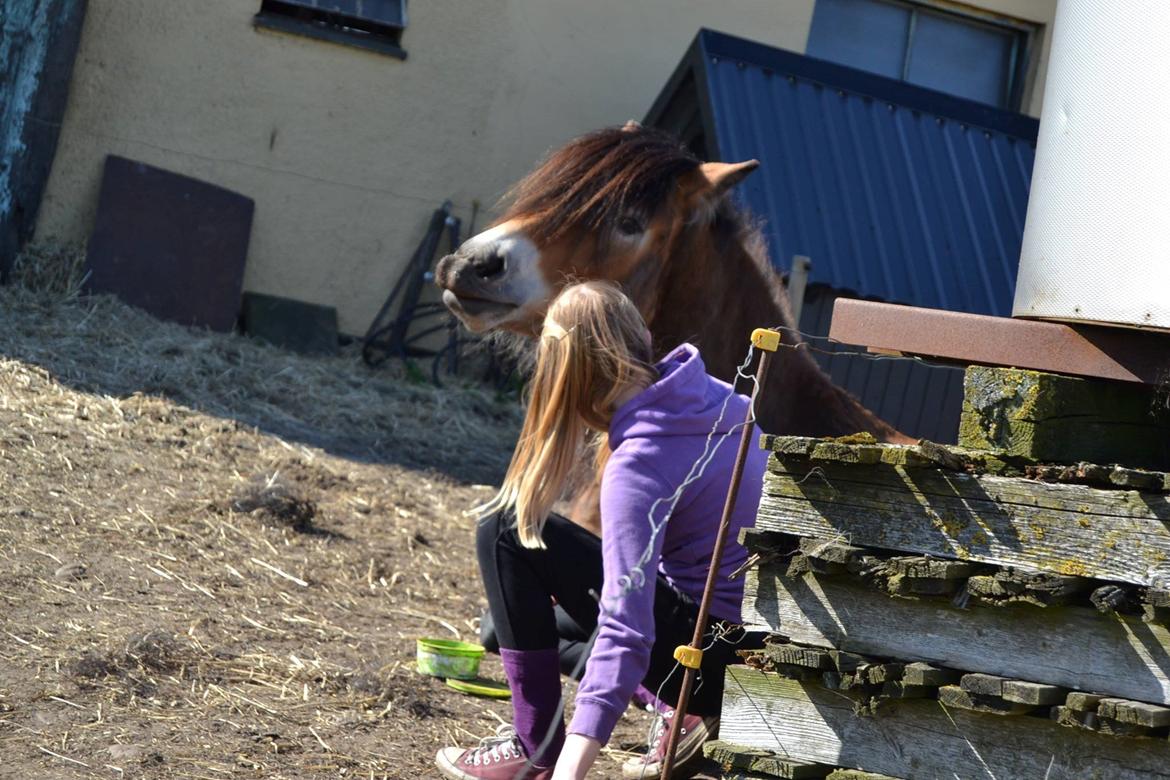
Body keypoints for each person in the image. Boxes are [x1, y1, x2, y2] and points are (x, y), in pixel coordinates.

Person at [436, 281, 767, 780]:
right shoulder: (725, 401)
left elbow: (627, 632)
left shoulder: (638, 465)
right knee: (500, 626)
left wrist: (570, 772)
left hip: (707, 663)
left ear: (566, 371)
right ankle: (677, 710)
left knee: (505, 529)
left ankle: (537, 747)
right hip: (755, 648)